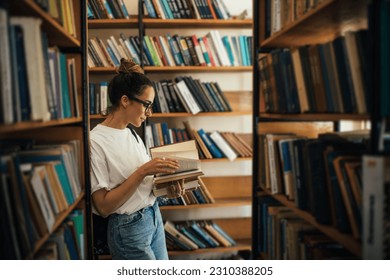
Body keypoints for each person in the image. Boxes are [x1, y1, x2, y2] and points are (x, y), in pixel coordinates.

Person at [90, 58, 180, 260]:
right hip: (128, 229)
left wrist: (167, 190)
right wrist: (143, 171)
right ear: (125, 100)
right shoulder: (95, 141)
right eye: (147, 105)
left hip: (153, 217)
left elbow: (143, 188)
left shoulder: (132, 134)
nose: (149, 113)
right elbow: (103, 207)